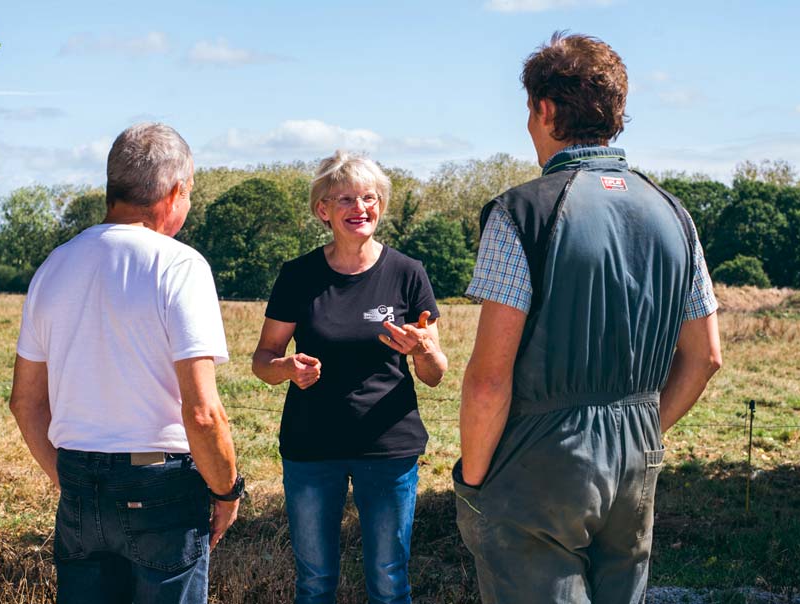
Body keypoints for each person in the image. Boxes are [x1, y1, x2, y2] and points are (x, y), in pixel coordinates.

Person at [455, 32, 723, 604]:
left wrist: (473, 483)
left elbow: (487, 380)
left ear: (545, 110)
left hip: (537, 460)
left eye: (530, 112)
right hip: (637, 456)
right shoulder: (675, 214)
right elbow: (705, 357)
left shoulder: (521, 212)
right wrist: (645, 433)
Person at [9, 123, 243, 604]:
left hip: (79, 478)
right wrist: (226, 490)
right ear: (175, 192)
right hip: (162, 484)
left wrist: (71, 480)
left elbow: (24, 402)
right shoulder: (179, 265)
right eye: (190, 194)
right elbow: (202, 412)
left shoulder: (54, 265)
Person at [252, 150, 448, 604]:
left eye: (369, 197)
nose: (360, 208)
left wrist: (423, 349)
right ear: (323, 210)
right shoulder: (298, 276)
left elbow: (435, 374)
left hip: (388, 448)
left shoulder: (407, 273)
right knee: (316, 581)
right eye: (345, 199)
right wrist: (284, 369)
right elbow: (263, 358)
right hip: (311, 447)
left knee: (388, 579)